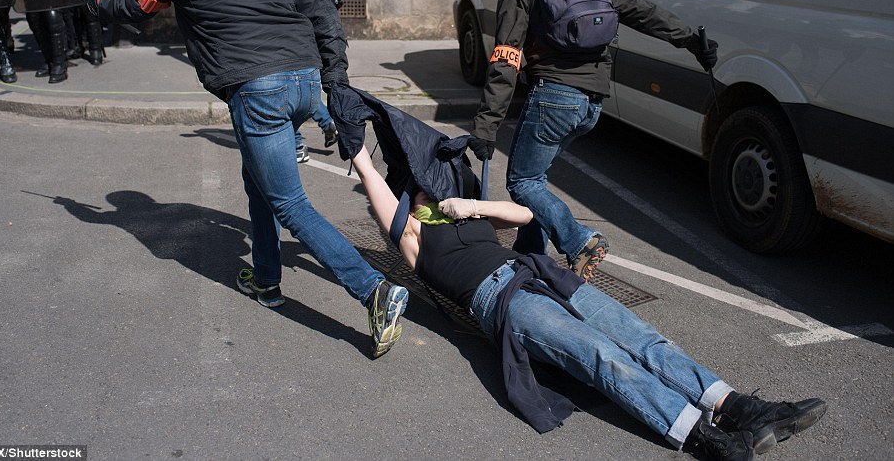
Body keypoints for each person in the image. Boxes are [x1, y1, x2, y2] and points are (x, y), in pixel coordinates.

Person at [348, 141, 826, 460]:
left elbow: (522, 213)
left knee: (640, 336)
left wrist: (470, 205)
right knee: (600, 354)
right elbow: (374, 185)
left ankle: (738, 406)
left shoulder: (465, 215)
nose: (430, 189)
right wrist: (361, 155)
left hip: (540, 276)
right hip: (502, 300)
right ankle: (707, 440)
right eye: (419, 188)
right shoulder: (412, 236)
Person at [94, 0, 408, 359]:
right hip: (304, 80)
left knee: (291, 205)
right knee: (257, 180)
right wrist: (335, 78)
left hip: (256, 89)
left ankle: (373, 290)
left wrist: (98, 6)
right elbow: (325, 11)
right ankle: (265, 278)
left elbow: (137, 6)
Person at [469, 0, 719, 277]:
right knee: (536, 180)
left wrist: (487, 126)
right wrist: (692, 41)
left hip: (553, 98)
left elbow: (505, 59)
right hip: (592, 105)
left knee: (522, 183)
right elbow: (644, 12)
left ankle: (578, 241)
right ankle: (531, 259)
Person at [262, 0, 339, 162]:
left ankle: (296, 144)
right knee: (301, 87)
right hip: (310, 32)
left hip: (307, 34)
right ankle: (327, 122)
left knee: (289, 87)